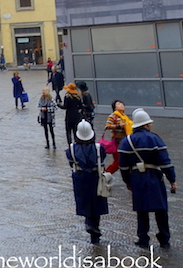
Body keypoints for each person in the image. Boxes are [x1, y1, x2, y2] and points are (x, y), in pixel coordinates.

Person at [118, 108, 177, 248]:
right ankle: (164, 238)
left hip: (137, 178)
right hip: (154, 176)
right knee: (161, 209)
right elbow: (165, 162)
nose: (151, 125)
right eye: (149, 123)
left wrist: (127, 181)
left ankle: (143, 238)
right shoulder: (155, 138)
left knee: (141, 209)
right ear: (145, 125)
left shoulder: (127, 141)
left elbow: (123, 166)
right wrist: (172, 179)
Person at [67, 120, 108, 244]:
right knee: (97, 202)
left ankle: (89, 223)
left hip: (80, 177)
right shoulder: (98, 148)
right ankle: (94, 227)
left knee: (84, 201)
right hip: (96, 177)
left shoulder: (72, 149)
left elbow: (71, 162)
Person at [103, 99, 133, 175]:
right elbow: (107, 126)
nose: (122, 105)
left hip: (126, 141)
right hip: (117, 142)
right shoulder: (113, 116)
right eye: (119, 104)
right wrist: (119, 126)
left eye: (122, 103)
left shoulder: (125, 117)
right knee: (118, 161)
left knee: (126, 161)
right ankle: (105, 174)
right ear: (115, 108)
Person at [58, 83, 85, 148]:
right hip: (76, 116)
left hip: (69, 116)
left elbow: (65, 107)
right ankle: (77, 145)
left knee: (68, 132)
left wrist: (58, 105)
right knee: (75, 131)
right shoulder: (78, 97)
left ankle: (70, 146)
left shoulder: (67, 97)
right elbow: (81, 107)